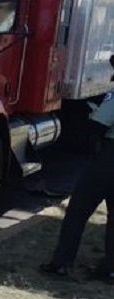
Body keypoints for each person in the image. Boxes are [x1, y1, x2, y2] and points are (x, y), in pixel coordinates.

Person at [41, 60, 114, 282]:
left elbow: (98, 127)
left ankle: (62, 263)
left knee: (78, 211)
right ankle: (110, 269)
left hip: (108, 160)